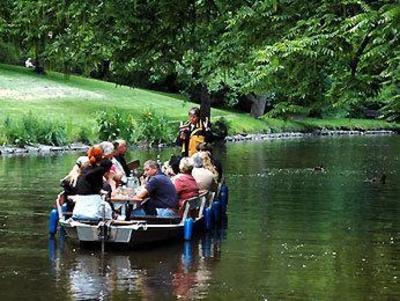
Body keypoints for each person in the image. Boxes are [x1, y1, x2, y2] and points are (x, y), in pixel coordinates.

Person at [72, 146, 113, 220]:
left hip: (78, 211)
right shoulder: (99, 169)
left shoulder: (84, 169)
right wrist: (103, 157)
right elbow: (109, 162)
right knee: (108, 209)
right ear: (101, 156)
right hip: (94, 212)